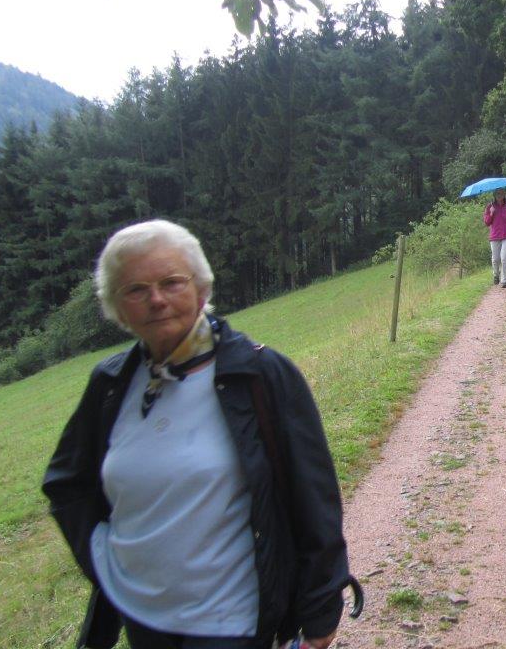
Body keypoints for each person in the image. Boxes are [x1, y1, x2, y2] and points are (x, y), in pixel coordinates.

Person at [43, 219, 359, 649]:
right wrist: (103, 559)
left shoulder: (260, 374)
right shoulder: (111, 384)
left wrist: (320, 613)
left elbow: (315, 499)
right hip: (143, 619)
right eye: (136, 289)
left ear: (201, 288)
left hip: (232, 621)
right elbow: (67, 482)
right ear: (117, 307)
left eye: (171, 282)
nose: (156, 299)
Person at [483, 189, 506, 288]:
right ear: (494, 195)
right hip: (495, 236)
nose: (500, 195)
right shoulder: (490, 206)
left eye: (502, 193)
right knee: (495, 259)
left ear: (504, 195)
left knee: (504, 258)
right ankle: (496, 274)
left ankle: (504, 280)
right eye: (498, 193)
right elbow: (486, 222)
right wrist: (491, 213)